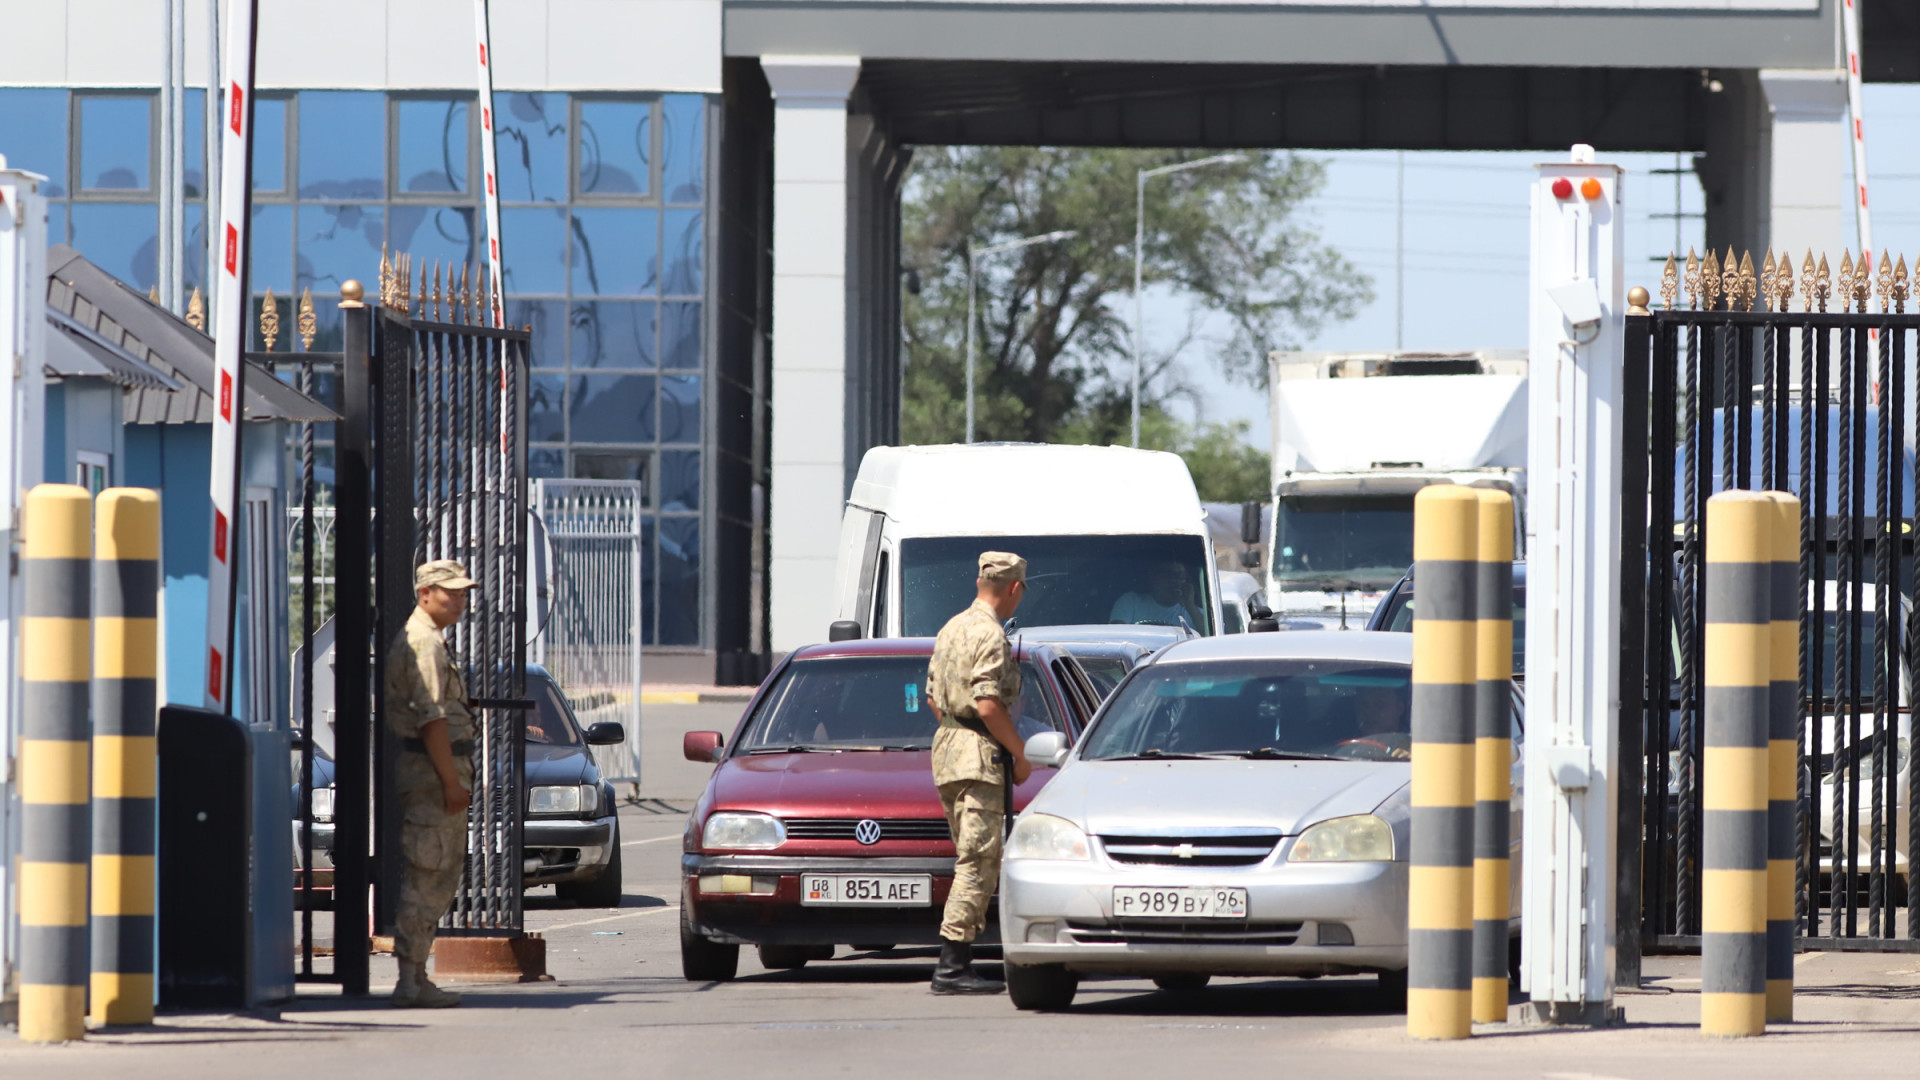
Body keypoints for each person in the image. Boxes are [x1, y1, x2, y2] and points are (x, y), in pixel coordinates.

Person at [925, 550, 1034, 995]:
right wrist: (1020, 754)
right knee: (979, 859)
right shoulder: (989, 634)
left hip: (949, 749)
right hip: (978, 755)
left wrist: (960, 729)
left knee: (971, 855)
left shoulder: (952, 626)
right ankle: (952, 965)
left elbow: (933, 697)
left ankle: (961, 958)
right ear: (1013, 588)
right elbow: (989, 703)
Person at [383, 559, 478, 1008]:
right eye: (450, 592)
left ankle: (416, 977)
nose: (459, 600)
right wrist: (450, 783)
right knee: (429, 874)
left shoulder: (430, 640)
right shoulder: (423, 644)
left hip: (434, 773)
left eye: (462, 593)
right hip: (431, 776)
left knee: (437, 873)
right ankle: (410, 980)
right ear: (425, 594)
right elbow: (432, 721)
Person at [1108, 560, 1200, 629]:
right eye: (1169, 576)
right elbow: (1116, 636)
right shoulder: (1131, 602)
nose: (1175, 582)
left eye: (1180, 577)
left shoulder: (1195, 614)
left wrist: (1190, 606)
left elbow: (1209, 639)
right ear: (1153, 578)